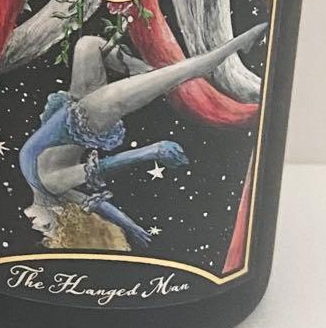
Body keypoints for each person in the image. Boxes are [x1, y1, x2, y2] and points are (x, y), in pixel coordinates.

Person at [18, 22, 267, 250]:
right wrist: (152, 151)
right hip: (91, 114)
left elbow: (101, 206)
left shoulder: (47, 189)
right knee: (180, 73)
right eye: (46, 227)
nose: (34, 226)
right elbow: (105, 166)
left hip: (74, 103)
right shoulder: (51, 184)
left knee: (88, 44)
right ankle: (240, 43)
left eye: (42, 230)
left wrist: (129, 225)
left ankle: (144, 73)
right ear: (58, 213)